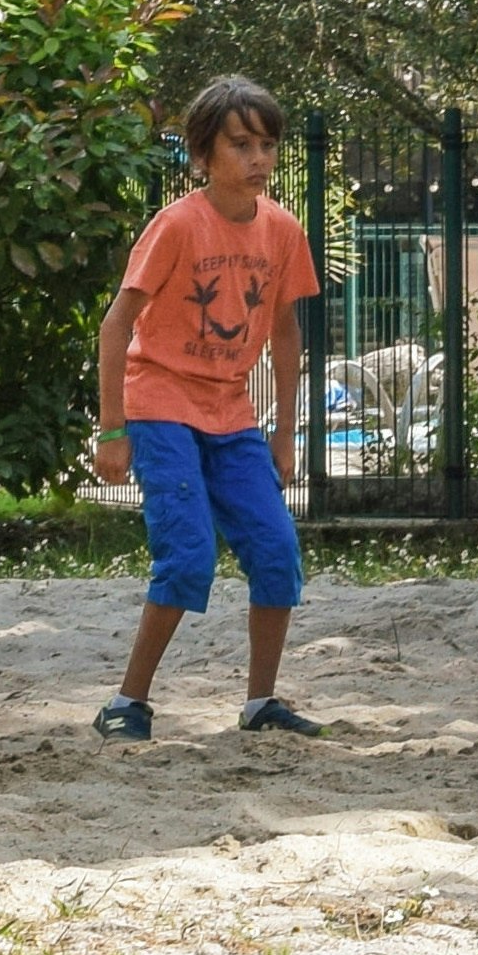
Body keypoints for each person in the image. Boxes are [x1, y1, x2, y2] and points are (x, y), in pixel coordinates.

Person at [90, 77, 323, 744]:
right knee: (189, 555)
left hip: (230, 411)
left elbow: (283, 332)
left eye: (268, 144)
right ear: (201, 155)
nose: (258, 158)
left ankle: (261, 703)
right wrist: (112, 429)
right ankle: (126, 701)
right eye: (241, 143)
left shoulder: (281, 231)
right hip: (160, 402)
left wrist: (283, 431)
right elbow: (115, 326)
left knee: (278, 551)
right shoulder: (177, 224)